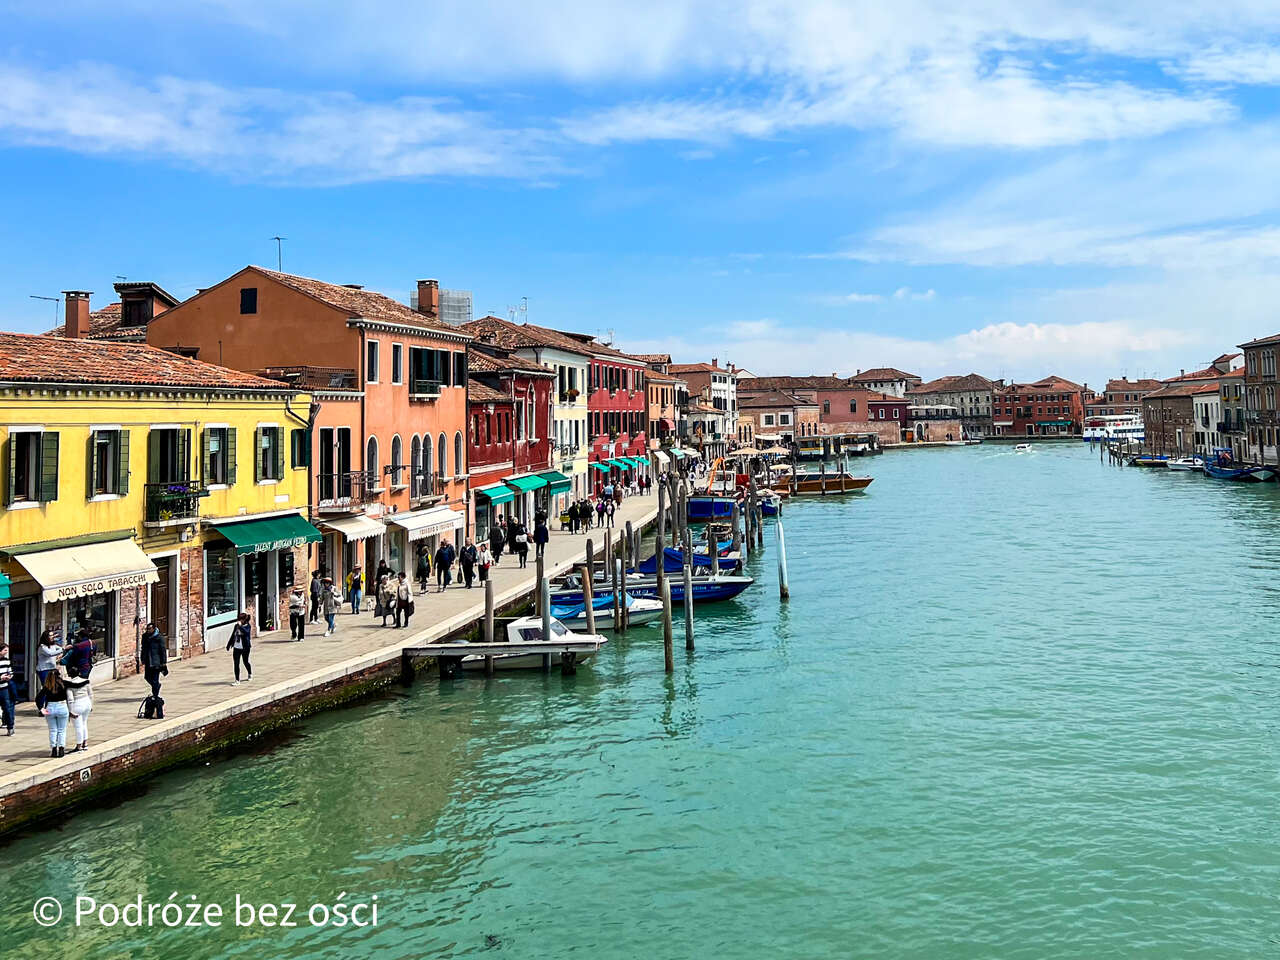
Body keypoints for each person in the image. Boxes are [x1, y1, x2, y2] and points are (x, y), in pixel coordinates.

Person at [35, 670, 69, 758]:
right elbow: (77, 685)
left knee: (53, 730)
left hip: (50, 707)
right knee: (62, 730)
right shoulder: (63, 684)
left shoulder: (47, 686)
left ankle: (54, 749)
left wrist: (41, 709)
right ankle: (61, 749)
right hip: (62, 706)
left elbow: (38, 698)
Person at [64, 665, 92, 752]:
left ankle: (79, 746)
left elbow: (70, 699)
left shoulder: (69, 684)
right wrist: (91, 705)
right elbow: (91, 694)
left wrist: (70, 711)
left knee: (78, 726)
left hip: (77, 705)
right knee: (84, 723)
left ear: (69, 674)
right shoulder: (86, 681)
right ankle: (85, 743)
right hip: (87, 702)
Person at [140, 622, 168, 703]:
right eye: (147, 629)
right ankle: (156, 686)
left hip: (156, 662)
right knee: (147, 677)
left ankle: (155, 695)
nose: (148, 630)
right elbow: (143, 648)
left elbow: (162, 650)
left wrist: (163, 662)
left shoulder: (159, 637)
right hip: (148, 661)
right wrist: (142, 658)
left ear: (154, 629)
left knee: (155, 679)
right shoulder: (145, 636)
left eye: (149, 629)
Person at [226, 613, 252, 685]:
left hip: (245, 647)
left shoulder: (248, 626)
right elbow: (233, 635)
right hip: (237, 647)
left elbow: (246, 633)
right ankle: (237, 680)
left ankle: (249, 673)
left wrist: (240, 626)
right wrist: (229, 644)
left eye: (240, 619)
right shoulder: (236, 626)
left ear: (244, 620)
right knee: (236, 664)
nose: (239, 621)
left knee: (245, 661)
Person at [0, 642, 14, 736]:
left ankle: (10, 727)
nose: (6, 652)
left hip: (4, 687)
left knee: (7, 708)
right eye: (5, 650)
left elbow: (10, 671)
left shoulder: (6, 661)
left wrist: (9, 676)